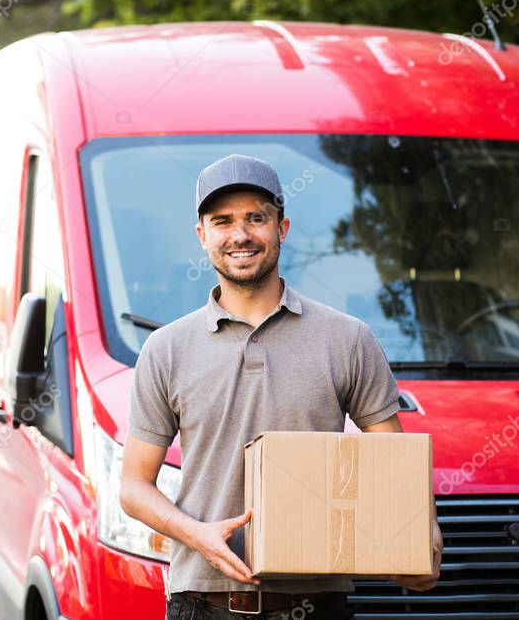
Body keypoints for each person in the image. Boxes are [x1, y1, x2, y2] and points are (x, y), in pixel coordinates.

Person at [120, 154, 442, 618]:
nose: (241, 234)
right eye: (223, 221)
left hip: (315, 604)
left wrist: (421, 538)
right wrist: (197, 535)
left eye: (257, 217)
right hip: (203, 602)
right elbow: (133, 486)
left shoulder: (347, 339)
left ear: (282, 228)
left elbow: (397, 471)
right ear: (202, 236)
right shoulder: (166, 349)